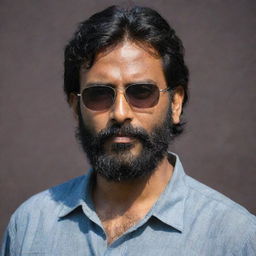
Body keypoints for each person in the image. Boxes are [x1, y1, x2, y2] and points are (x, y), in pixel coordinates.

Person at [1, 5, 255, 256]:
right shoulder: (30, 226)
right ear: (76, 108)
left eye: (142, 92)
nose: (120, 113)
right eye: (99, 94)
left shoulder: (235, 237)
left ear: (176, 103)